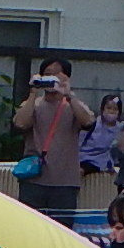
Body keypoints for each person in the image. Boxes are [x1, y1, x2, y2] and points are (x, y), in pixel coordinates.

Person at [12, 58, 93, 216]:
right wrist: (33, 92)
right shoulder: (34, 104)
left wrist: (69, 94)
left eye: (56, 75)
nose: (51, 79)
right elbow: (20, 123)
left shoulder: (73, 105)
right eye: (47, 75)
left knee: (62, 228)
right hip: (33, 180)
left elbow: (88, 122)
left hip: (65, 183)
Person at [80, 92, 123, 176]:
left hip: (104, 164)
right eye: (109, 108)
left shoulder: (121, 128)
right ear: (102, 109)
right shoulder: (92, 124)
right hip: (83, 159)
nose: (111, 111)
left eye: (115, 109)